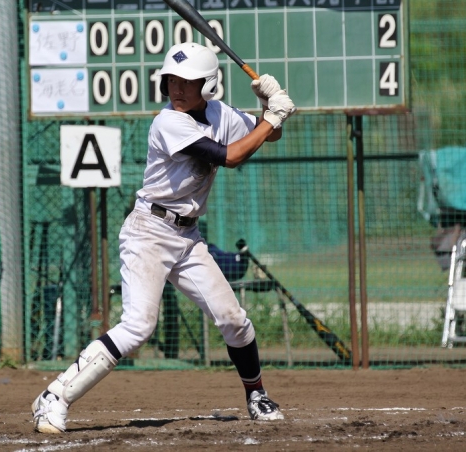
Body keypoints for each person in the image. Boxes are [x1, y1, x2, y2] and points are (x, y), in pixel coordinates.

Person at [31, 42, 296, 433]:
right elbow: (231, 156)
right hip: (149, 233)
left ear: (208, 85)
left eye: (186, 82)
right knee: (138, 325)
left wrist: (268, 109)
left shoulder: (221, 113)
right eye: (171, 80)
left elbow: (265, 136)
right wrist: (272, 118)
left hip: (188, 237)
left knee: (234, 320)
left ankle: (256, 395)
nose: (176, 88)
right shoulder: (168, 122)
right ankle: (54, 396)